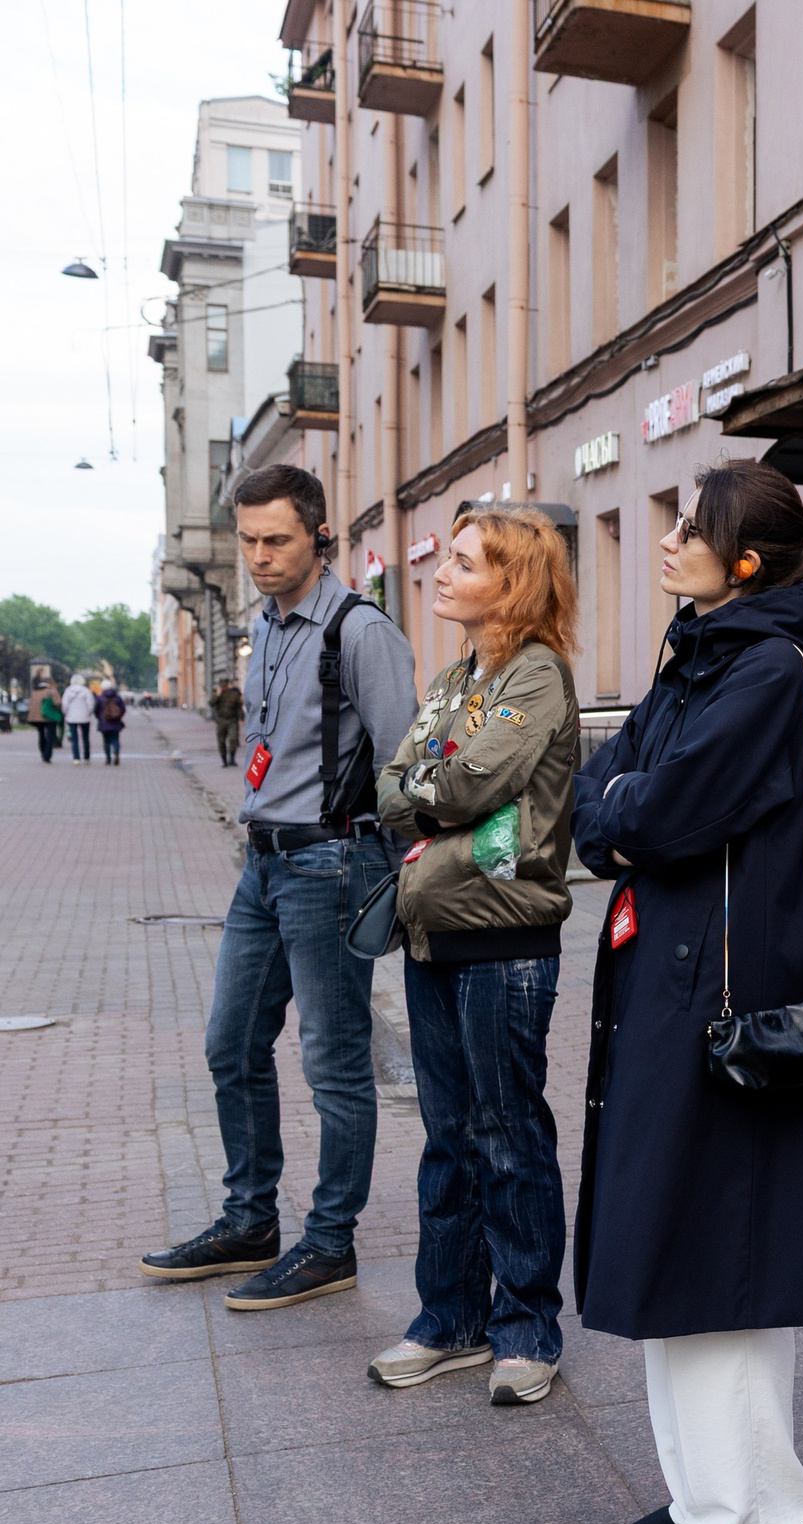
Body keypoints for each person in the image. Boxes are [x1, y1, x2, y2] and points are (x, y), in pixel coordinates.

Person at [572, 460, 803, 1524]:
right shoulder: (706, 653)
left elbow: (663, 810)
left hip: (724, 1003)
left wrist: (626, 812)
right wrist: (624, 811)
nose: (667, 540)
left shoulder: (767, 668)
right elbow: (605, 790)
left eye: (689, 528)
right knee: (678, 1241)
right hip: (681, 987)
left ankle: (752, 1513)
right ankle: (712, 1493)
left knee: (714, 1253)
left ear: (742, 561)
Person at [139, 464, 416, 1308]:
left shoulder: (360, 630)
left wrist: (399, 879)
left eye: (276, 540)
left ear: (319, 536)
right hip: (262, 864)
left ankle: (330, 1242)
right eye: (248, 540)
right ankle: (250, 1220)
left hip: (331, 863)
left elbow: (403, 765)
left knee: (334, 1061)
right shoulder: (265, 624)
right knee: (230, 1042)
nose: (259, 555)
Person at [365, 508, 581, 1406]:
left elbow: (464, 782)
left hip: (503, 939)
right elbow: (391, 783)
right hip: (433, 935)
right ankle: (449, 1320)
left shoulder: (537, 675)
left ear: (512, 581)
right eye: (446, 558)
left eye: (463, 562)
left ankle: (526, 1328)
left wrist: (428, 792)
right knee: (448, 1139)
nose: (443, 573)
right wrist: (429, 793)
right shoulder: (455, 679)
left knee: (506, 1134)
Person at [61, 674, 96, 763]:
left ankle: (76, 758)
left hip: (71, 718)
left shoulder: (68, 691)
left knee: (74, 738)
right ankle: (87, 757)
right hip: (84, 717)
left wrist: (65, 713)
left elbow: (64, 704)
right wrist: (89, 713)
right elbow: (90, 704)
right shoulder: (86, 691)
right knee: (85, 738)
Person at [211, 676, 245, 765]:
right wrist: (218, 695)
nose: (224, 687)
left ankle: (232, 759)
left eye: (225, 685)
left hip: (232, 720)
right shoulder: (217, 693)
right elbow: (211, 703)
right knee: (221, 741)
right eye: (222, 685)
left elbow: (239, 707)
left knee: (233, 739)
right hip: (221, 720)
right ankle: (224, 761)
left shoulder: (234, 693)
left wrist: (241, 718)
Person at [31, 671, 62, 763]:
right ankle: (47, 756)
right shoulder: (52, 691)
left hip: (37, 718)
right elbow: (58, 703)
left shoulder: (35, 692)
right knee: (50, 736)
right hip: (50, 717)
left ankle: (43, 753)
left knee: (41, 735)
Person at [94, 681, 127, 765]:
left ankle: (108, 759)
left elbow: (96, 710)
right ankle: (116, 753)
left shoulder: (100, 698)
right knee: (115, 740)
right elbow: (123, 709)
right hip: (115, 723)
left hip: (104, 723)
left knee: (106, 741)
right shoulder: (118, 698)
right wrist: (118, 717)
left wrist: (99, 718)